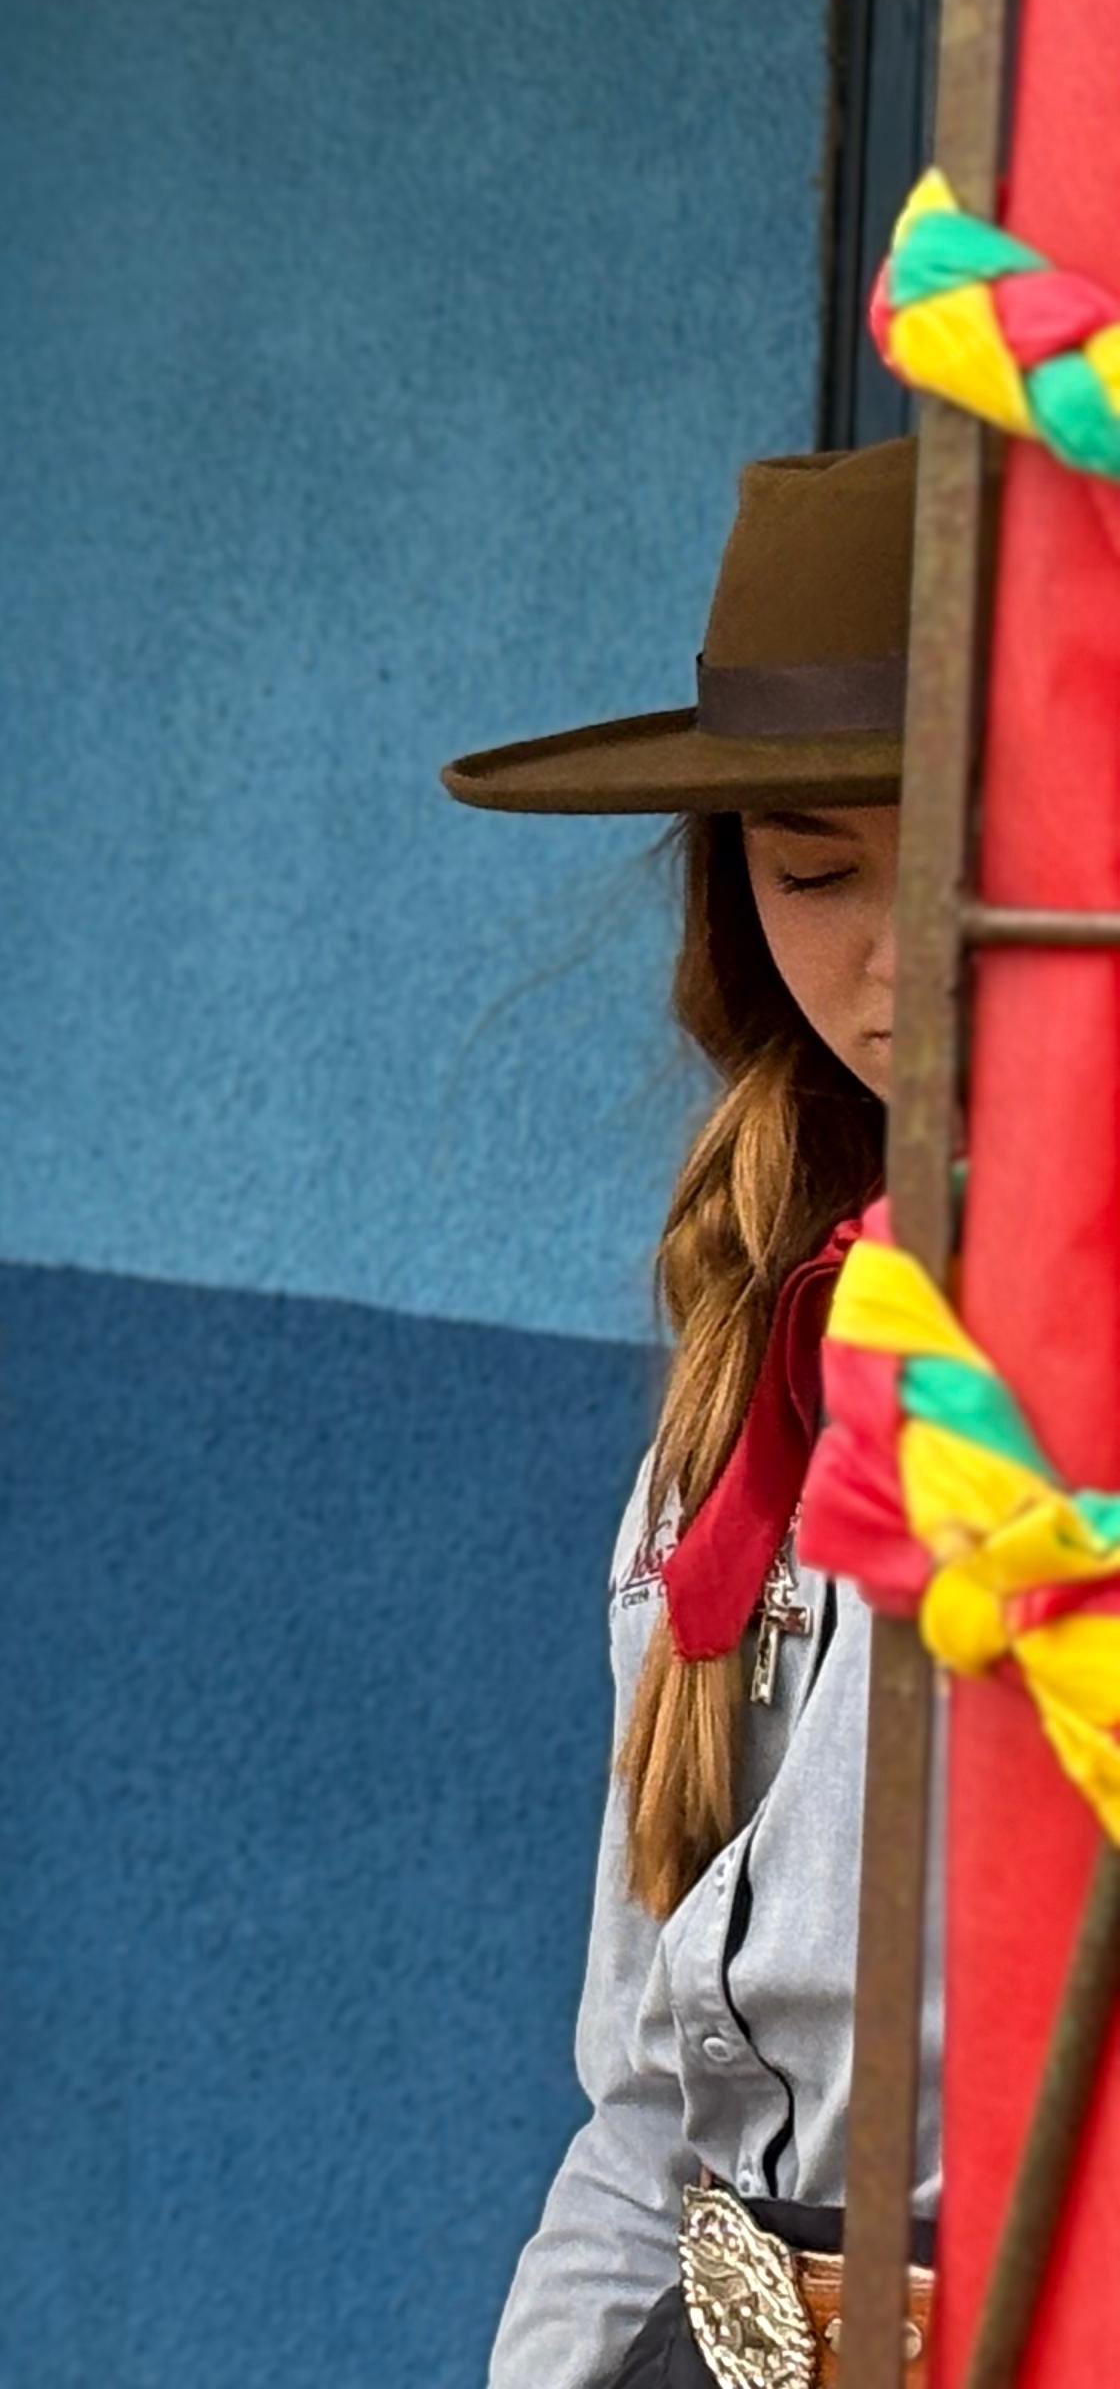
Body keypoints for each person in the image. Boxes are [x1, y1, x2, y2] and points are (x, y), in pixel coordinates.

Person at [449, 435, 938, 2389]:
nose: (893, 959)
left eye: (968, 858)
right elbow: (654, 2106)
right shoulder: (752, 1378)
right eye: (812, 870)